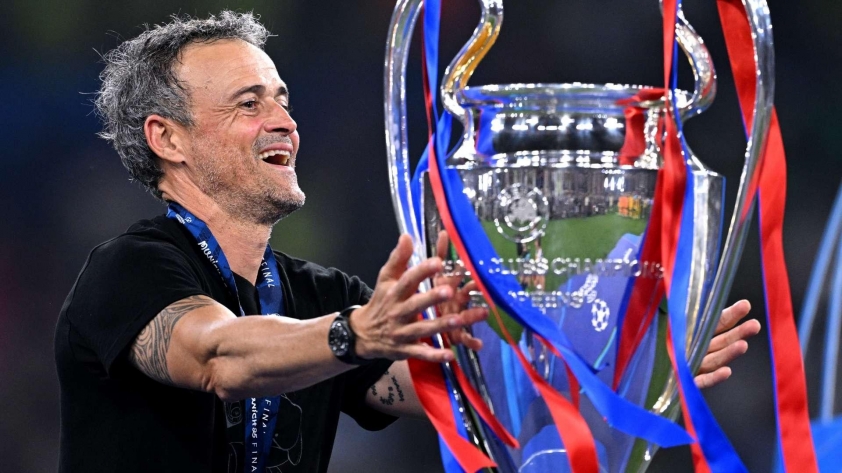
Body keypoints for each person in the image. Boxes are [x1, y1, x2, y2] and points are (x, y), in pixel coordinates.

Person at [54, 11, 761, 473]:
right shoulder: (129, 268)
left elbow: (473, 396)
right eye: (249, 103)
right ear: (167, 138)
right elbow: (218, 357)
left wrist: (628, 369)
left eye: (283, 99)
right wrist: (355, 333)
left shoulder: (319, 295)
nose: (284, 121)